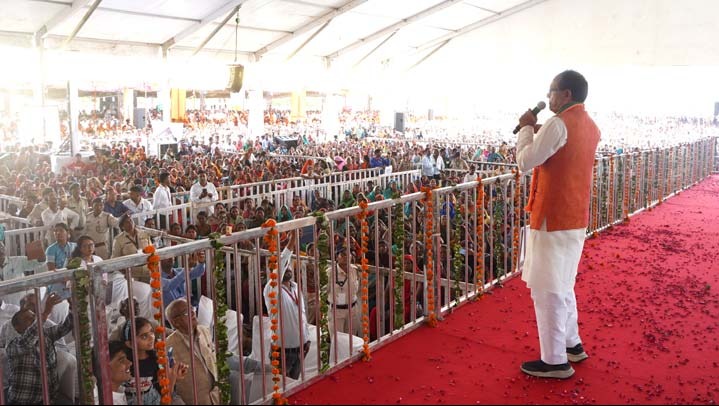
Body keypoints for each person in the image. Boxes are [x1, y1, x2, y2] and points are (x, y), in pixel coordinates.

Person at [515, 70, 600, 379]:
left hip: (552, 218)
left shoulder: (559, 123)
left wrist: (526, 129)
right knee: (563, 284)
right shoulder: (590, 126)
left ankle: (554, 360)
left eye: (551, 91)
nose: (548, 96)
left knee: (547, 288)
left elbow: (525, 160)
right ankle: (571, 343)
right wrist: (540, 130)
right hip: (574, 218)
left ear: (566, 95)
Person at [6, 292, 72, 405]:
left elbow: (65, 327)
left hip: (47, 399)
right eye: (28, 319)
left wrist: (72, 307)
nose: (33, 321)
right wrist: (46, 312)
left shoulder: (45, 335)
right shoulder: (14, 346)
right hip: (23, 402)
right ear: (17, 328)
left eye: (34, 318)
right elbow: (29, 338)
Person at [262, 231, 310, 380]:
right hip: (282, 351)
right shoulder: (272, 288)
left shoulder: (295, 287)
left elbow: (301, 315)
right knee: (280, 389)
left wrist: (306, 339)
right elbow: (283, 260)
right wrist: (294, 239)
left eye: (289, 267)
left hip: (300, 348)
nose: (287, 268)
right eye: (284, 267)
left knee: (294, 385)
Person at [165, 298, 219, 404]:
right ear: (176, 322)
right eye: (186, 312)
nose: (193, 313)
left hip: (216, 397)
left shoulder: (204, 331)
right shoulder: (169, 345)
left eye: (192, 309)